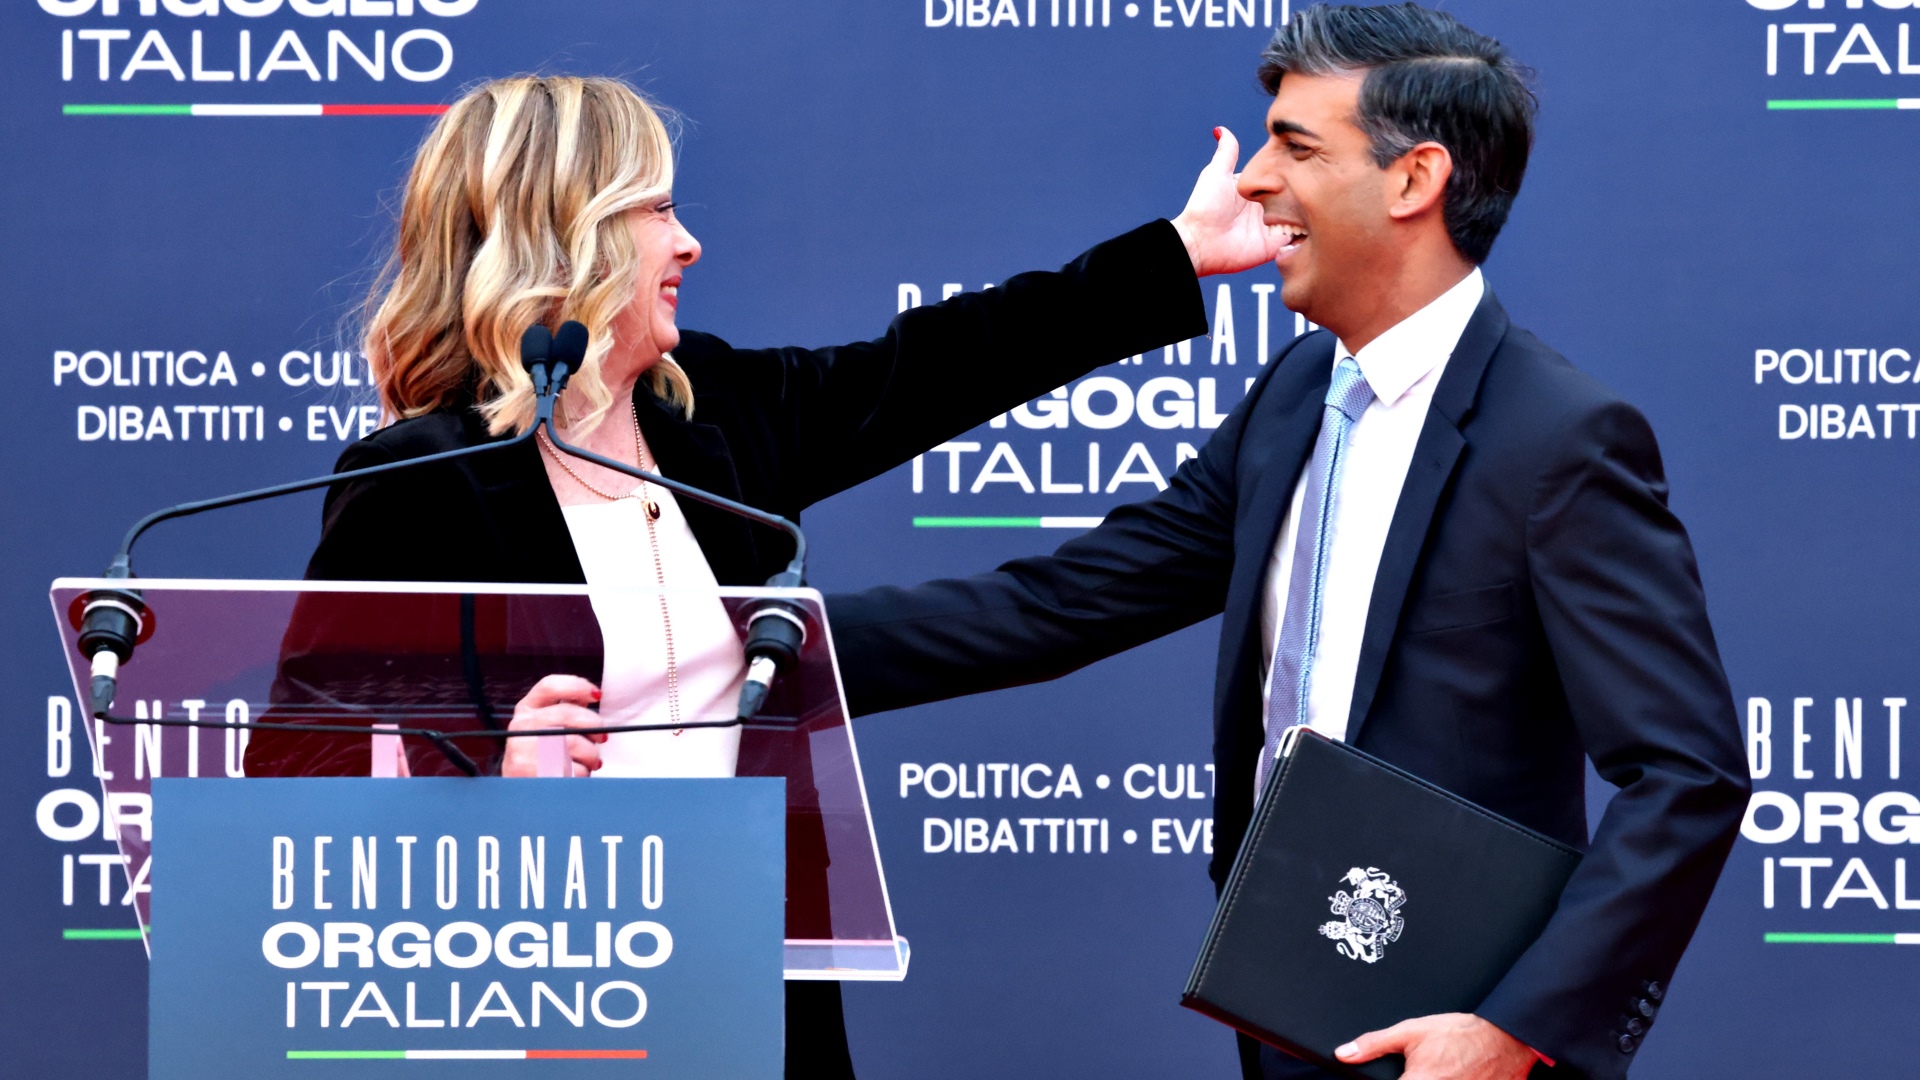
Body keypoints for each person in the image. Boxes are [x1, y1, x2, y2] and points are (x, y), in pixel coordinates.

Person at [245, 74, 1279, 1080]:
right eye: (656, 208)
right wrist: (487, 776)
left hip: (754, 986)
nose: (688, 241)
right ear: (572, 232)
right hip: (543, 997)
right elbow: (295, 776)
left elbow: (938, 363)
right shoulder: (428, 481)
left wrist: (1179, 254)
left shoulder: (714, 418)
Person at [827, 7, 1751, 1080]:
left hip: (1459, 1037)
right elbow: (1058, 603)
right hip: (1280, 1000)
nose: (1255, 180)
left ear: (1415, 181)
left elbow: (1687, 772)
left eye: (1296, 146)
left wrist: (1518, 1028)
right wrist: (734, 646)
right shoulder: (1297, 394)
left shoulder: (1559, 440)